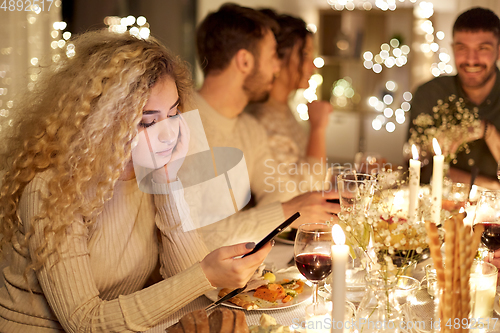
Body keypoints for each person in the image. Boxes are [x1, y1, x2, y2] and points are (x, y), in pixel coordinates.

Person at [0, 30, 271, 332]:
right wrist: (205, 275)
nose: (168, 134)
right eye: (148, 121)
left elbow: (188, 285)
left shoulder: (149, 170)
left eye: (173, 114)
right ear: (101, 121)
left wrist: (168, 183)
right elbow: (84, 322)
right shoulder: (51, 190)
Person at [195, 3, 339, 250]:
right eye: (273, 55)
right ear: (245, 61)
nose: (277, 67)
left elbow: (283, 194)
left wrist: (299, 206)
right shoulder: (181, 123)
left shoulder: (249, 129)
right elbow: (200, 239)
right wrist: (288, 210)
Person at [246, 9, 333, 201]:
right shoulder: (261, 118)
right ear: (279, 56)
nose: (313, 65)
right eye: (305, 53)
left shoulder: (283, 108)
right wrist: (318, 128)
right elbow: (306, 191)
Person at [408, 7, 500, 190]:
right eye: (462, 48)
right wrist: (489, 185)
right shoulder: (429, 94)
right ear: (452, 48)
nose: (471, 59)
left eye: (483, 48)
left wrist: (487, 131)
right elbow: (419, 168)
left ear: (499, 49)